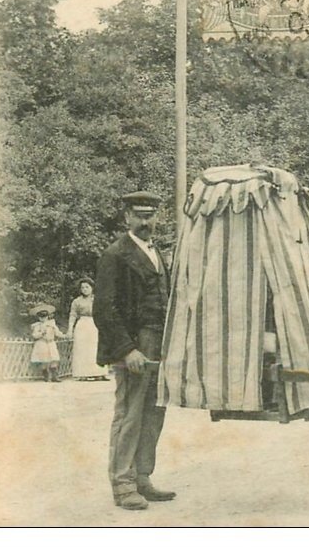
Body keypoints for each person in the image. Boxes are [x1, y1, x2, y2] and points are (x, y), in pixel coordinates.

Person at [93, 190, 175, 511]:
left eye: (151, 215)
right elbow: (104, 309)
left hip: (158, 343)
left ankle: (142, 477)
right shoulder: (115, 254)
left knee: (154, 411)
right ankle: (123, 483)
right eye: (140, 215)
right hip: (135, 345)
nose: (146, 222)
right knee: (129, 414)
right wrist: (127, 350)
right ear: (126, 217)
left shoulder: (158, 254)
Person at [68, 277, 108, 381]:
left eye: (87, 287)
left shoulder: (97, 299)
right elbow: (73, 315)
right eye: (82, 287)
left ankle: (99, 373)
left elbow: (103, 313)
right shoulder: (76, 301)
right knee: (82, 349)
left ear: (92, 288)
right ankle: (82, 373)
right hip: (82, 325)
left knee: (95, 348)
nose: (84, 289)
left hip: (95, 324)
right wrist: (70, 329)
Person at [29, 304, 65, 382]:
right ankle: (46, 376)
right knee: (44, 360)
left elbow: (57, 333)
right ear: (38, 317)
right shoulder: (37, 326)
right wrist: (41, 333)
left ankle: (54, 376)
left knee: (54, 359)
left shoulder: (52, 324)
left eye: (45, 317)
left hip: (51, 343)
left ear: (48, 316)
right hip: (42, 343)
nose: (43, 319)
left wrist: (64, 335)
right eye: (41, 317)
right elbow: (34, 335)